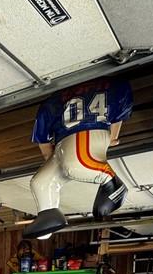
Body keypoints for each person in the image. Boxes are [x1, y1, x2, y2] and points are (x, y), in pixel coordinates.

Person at [26, 78, 133, 238]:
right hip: (66, 140)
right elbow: (119, 114)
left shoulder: (52, 102)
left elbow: (43, 142)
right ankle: (49, 215)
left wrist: (52, 159)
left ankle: (111, 183)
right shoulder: (113, 85)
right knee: (40, 182)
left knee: (75, 164)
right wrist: (113, 137)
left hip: (88, 129)